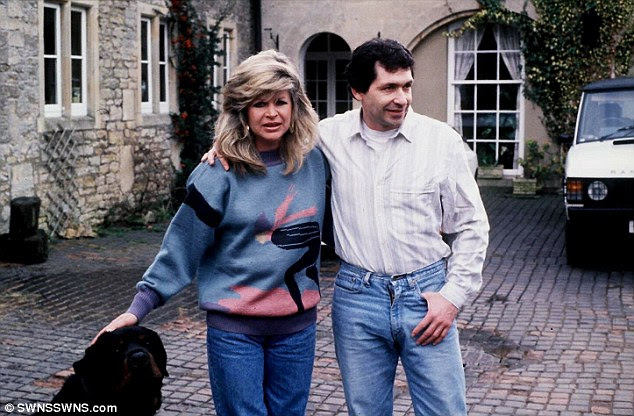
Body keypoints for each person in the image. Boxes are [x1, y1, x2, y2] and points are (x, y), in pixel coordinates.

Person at [205, 38, 489, 416]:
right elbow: (270, 136)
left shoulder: (441, 142)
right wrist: (222, 146)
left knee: (445, 411)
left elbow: (471, 225)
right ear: (358, 91)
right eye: (388, 88)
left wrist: (452, 297)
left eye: (406, 86)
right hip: (358, 298)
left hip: (426, 296)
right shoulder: (328, 137)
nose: (401, 98)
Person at [96, 49, 329, 416]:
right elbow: (181, 248)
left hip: (297, 329)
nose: (272, 113)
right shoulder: (216, 175)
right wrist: (138, 308)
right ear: (242, 111)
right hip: (236, 332)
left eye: (280, 102)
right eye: (259, 103)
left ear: (295, 106)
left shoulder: (315, 161)